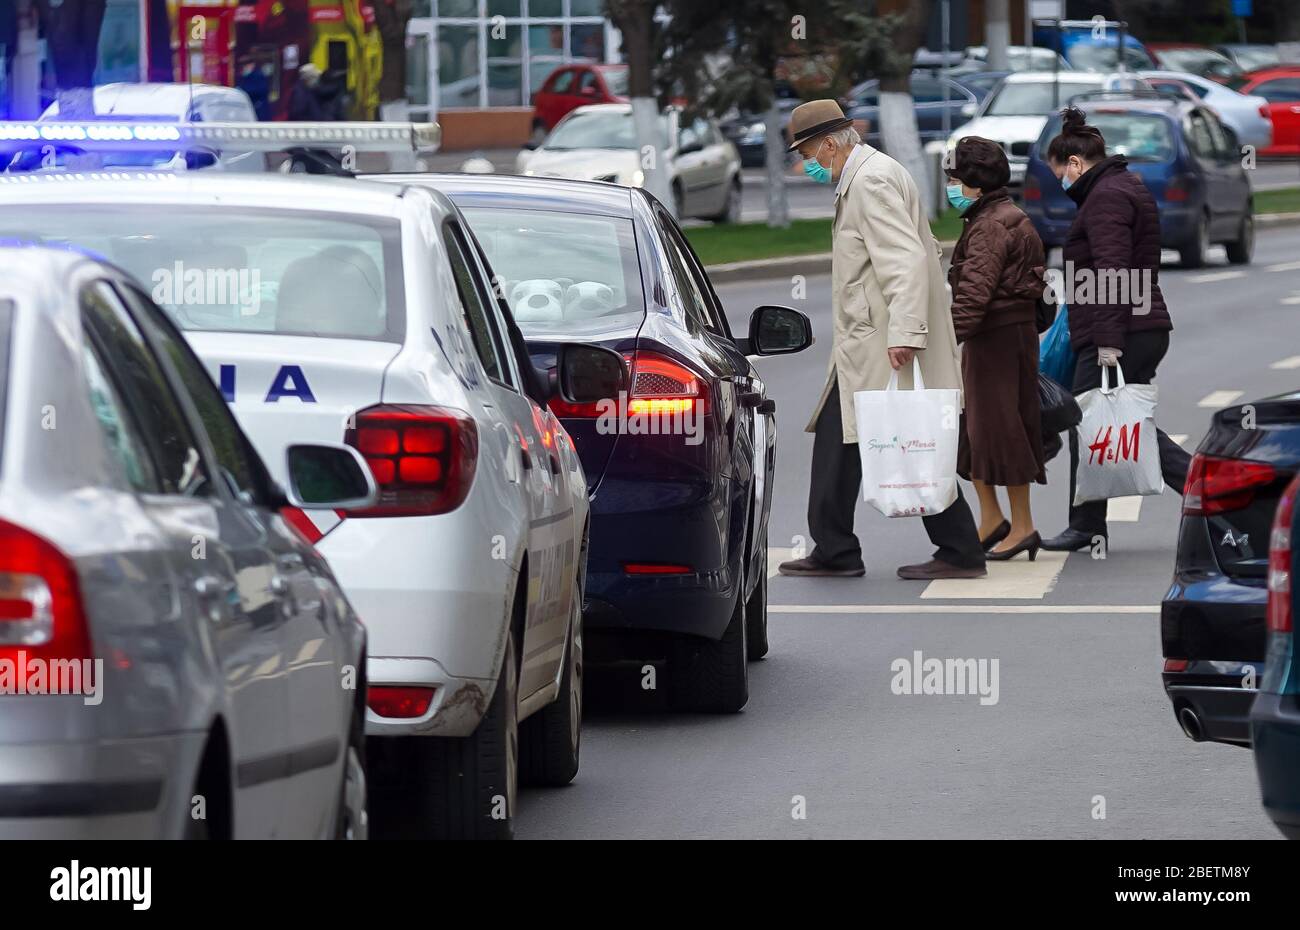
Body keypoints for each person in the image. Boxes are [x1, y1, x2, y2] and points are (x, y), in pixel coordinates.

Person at [777, 100, 986, 581]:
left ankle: (957, 549)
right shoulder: (870, 174)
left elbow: (906, 260)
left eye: (808, 151)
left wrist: (906, 333)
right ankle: (836, 548)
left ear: (830, 144)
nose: (805, 162)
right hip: (868, 342)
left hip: (881, 342)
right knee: (844, 438)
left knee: (907, 441)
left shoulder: (868, 181)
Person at [1040, 106, 1191, 552]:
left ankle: (1212, 488)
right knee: (1115, 423)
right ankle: (1088, 522)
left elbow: (1111, 272)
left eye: (1059, 174)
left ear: (1074, 163)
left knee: (1091, 422)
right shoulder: (1118, 186)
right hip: (1133, 327)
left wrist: (1107, 342)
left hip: (1121, 331)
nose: (1060, 185)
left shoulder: (1106, 196)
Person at [945, 136, 1047, 561]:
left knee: (1001, 431)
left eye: (955, 179)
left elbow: (975, 293)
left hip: (995, 339)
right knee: (978, 433)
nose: (951, 186)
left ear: (974, 181)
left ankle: (1022, 526)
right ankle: (993, 518)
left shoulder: (990, 224)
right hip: (1009, 335)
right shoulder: (1002, 214)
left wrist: (945, 337)